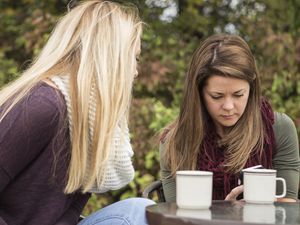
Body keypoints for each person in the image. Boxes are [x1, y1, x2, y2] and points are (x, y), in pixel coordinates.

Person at [0, 1, 154, 225]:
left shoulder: (87, 120)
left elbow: (70, 210)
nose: (136, 71)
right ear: (111, 57)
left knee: (139, 210)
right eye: (135, 57)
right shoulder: (42, 106)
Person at [159, 34, 300, 203]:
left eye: (238, 94)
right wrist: (226, 214)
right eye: (217, 96)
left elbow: (288, 209)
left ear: (252, 87)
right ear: (198, 94)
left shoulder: (279, 129)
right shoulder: (175, 141)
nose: (228, 106)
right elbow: (175, 215)